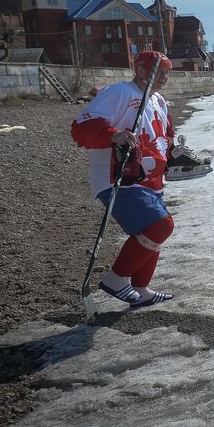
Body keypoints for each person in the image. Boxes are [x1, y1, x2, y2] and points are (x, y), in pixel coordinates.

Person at [71, 50, 178, 306]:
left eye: (167, 72)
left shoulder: (158, 101)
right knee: (160, 226)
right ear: (140, 70)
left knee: (150, 233)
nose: (164, 76)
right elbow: (81, 126)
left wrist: (177, 153)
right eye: (159, 71)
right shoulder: (119, 92)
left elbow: (166, 135)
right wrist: (113, 134)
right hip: (119, 178)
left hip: (150, 178)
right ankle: (116, 280)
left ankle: (140, 289)